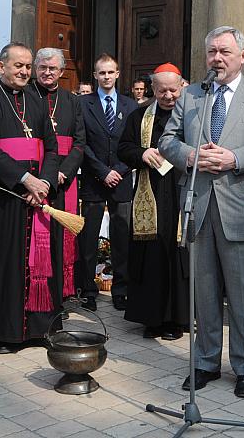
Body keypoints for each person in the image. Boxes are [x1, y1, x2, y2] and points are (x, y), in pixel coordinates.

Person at [160, 25, 244, 399]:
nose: (217, 58)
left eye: (225, 52)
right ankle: (205, 362)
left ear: (243, 56)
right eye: (212, 51)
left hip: (239, 203)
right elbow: (168, 139)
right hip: (197, 203)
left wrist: (235, 158)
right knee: (205, 291)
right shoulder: (192, 95)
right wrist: (190, 156)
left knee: (242, 294)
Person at [0, 42, 58, 354]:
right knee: (4, 264)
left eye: (27, 66)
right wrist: (25, 181)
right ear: (1, 66)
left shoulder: (37, 98)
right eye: (18, 65)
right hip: (2, 196)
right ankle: (3, 332)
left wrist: (43, 182)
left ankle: (37, 329)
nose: (24, 72)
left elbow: (51, 146)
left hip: (37, 196)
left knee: (37, 263)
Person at [118, 62, 189, 340]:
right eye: (162, 91)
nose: (169, 96)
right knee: (152, 255)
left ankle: (177, 318)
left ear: (182, 86)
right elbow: (124, 148)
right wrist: (142, 154)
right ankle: (152, 318)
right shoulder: (139, 117)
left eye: (173, 90)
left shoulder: (192, 116)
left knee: (179, 252)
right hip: (151, 192)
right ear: (153, 90)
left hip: (183, 190)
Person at [76, 54, 137, 312]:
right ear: (95, 75)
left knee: (121, 238)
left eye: (110, 72)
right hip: (94, 180)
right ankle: (87, 290)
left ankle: (121, 290)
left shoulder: (130, 105)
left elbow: (134, 143)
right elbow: (82, 143)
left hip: (121, 181)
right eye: (102, 73)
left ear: (118, 73)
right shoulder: (82, 104)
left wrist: (120, 170)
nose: (106, 77)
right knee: (88, 238)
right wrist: (102, 171)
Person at [30, 47, 85, 301]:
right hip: (37, 175)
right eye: (43, 67)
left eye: (53, 68)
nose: (48, 72)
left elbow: (79, 142)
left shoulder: (72, 101)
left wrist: (63, 172)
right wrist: (47, 174)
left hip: (65, 179)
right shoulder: (27, 96)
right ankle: (36, 289)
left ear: (61, 72)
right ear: (35, 69)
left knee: (61, 235)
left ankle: (61, 293)